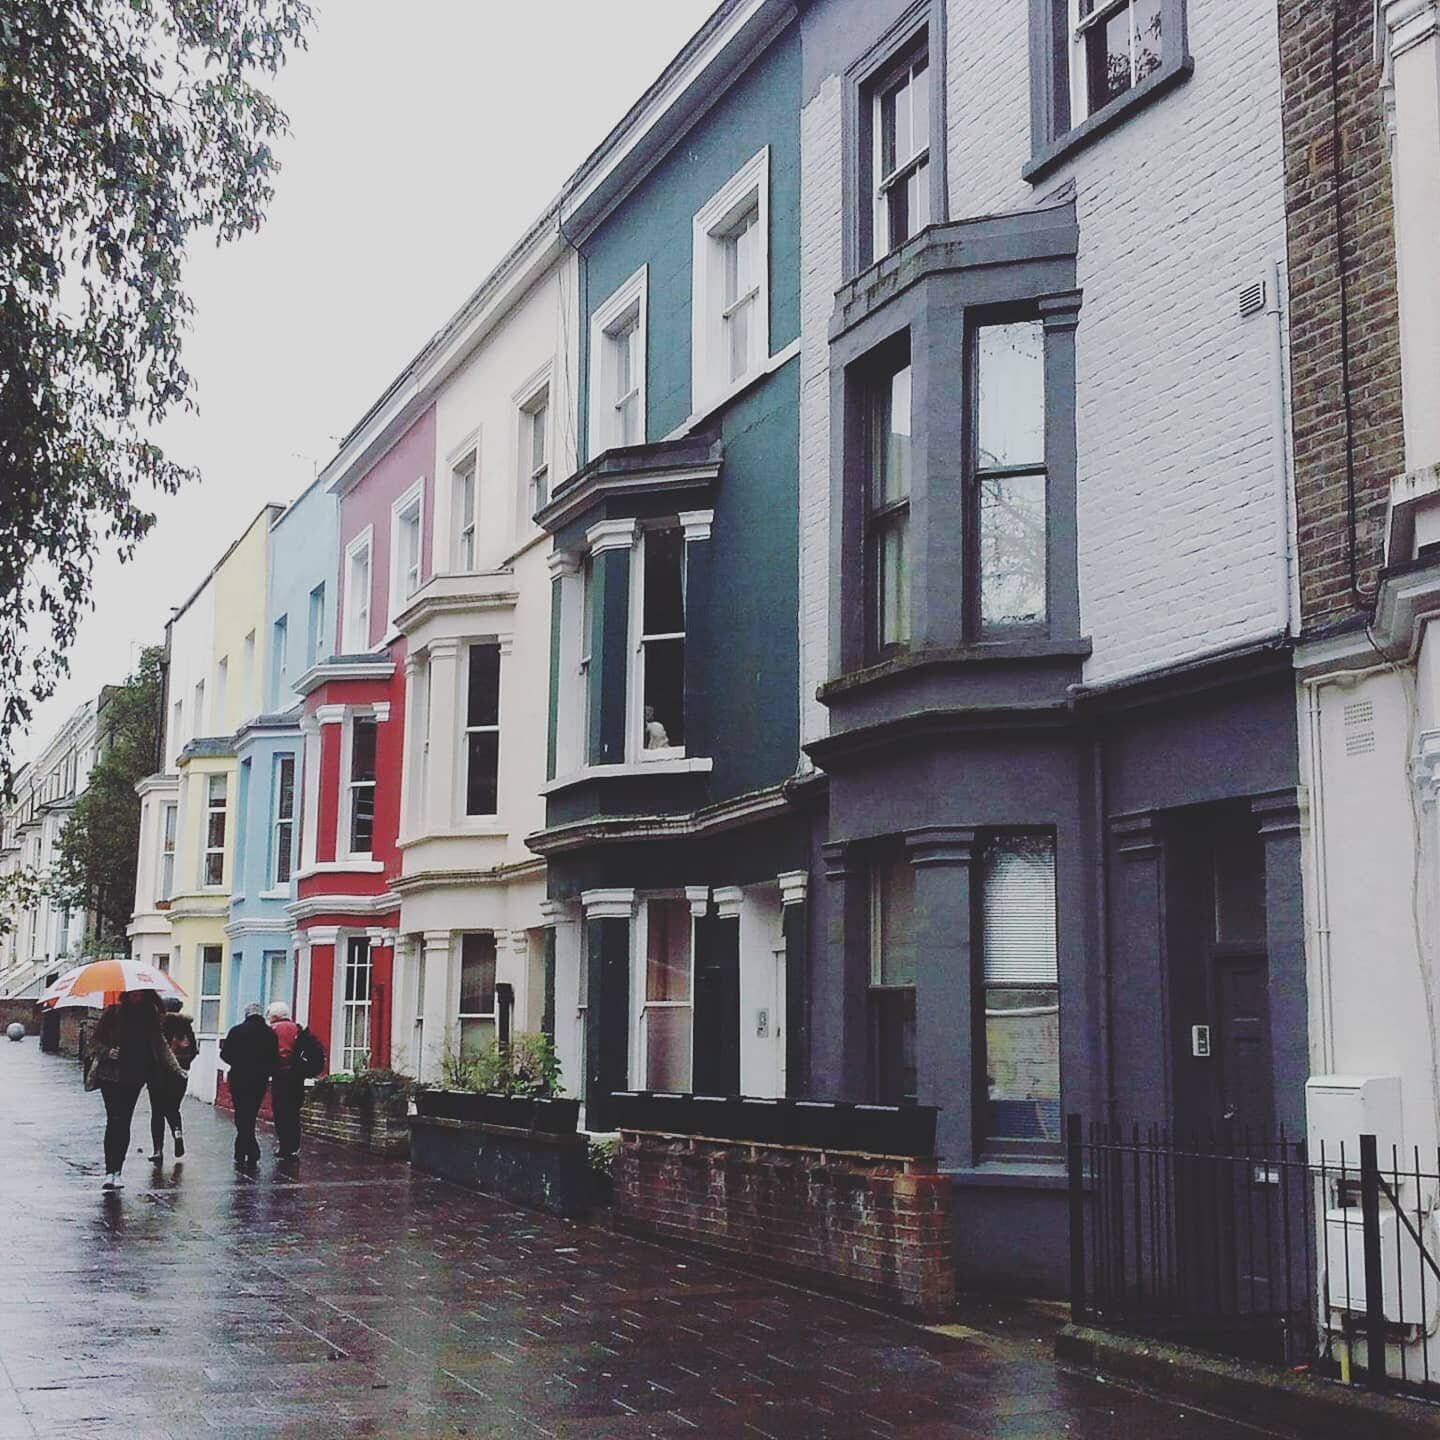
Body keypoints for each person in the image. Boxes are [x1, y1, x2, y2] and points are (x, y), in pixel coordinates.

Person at [88, 990, 184, 1191]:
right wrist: (108, 1051)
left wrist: (177, 1069)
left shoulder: (150, 1017)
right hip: (110, 1076)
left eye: (140, 994)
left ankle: (118, 1171)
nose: (137, 997)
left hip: (135, 1077)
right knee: (113, 1120)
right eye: (134, 994)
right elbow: (94, 1041)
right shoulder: (113, 1013)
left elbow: (161, 1046)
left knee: (123, 1121)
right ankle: (109, 1171)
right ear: (127, 994)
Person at [219, 1002, 278, 1172]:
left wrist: (238, 1062)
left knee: (241, 1112)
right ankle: (246, 1149)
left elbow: (225, 1055)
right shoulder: (270, 1034)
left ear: (246, 1014)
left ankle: (248, 1149)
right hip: (259, 1079)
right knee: (251, 1113)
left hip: (239, 1077)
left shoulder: (236, 1031)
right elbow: (274, 1059)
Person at [148, 996, 198, 1163]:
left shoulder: (159, 1025)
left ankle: (158, 1150)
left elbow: (153, 1049)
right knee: (173, 1108)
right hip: (180, 1075)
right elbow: (194, 1051)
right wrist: (183, 1065)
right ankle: (177, 1134)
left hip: (158, 1074)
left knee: (157, 1112)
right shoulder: (186, 1026)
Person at [266, 1001, 304, 1160]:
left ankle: (284, 1145)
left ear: (275, 1016)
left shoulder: (273, 1030)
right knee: (294, 1110)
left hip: (280, 1073)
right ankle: (295, 1145)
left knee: (281, 1111)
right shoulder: (298, 1028)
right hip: (296, 1074)